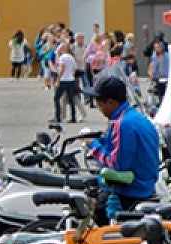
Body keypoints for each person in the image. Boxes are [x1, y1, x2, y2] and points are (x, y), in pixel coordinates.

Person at [86, 76, 159, 224]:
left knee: (98, 212)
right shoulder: (137, 117)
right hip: (147, 184)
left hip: (132, 190)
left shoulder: (123, 124)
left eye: (99, 104)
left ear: (111, 103)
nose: (99, 109)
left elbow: (117, 164)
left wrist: (93, 146)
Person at [52, 42, 79, 123]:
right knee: (71, 99)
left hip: (63, 80)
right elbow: (74, 68)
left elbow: (62, 69)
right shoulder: (71, 57)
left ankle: (58, 117)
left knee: (56, 98)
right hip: (70, 80)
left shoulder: (63, 57)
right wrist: (72, 76)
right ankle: (73, 117)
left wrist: (58, 80)